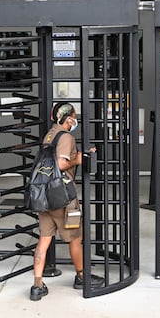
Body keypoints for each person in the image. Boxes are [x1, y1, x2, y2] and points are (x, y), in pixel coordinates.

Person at [30, 102, 104, 301]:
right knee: (75, 238)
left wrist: (80, 154)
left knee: (44, 240)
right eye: (73, 116)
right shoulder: (66, 137)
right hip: (63, 199)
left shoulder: (50, 134)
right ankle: (81, 276)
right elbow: (62, 163)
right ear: (67, 118)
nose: (75, 120)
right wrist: (78, 160)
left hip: (45, 197)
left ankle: (37, 285)